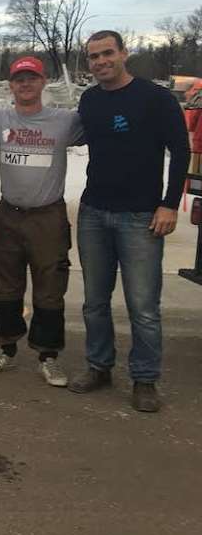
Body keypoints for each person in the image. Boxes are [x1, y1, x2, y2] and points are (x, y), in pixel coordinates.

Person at [69, 30, 189, 412]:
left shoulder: (155, 99)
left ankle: (145, 378)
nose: (101, 61)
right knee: (94, 302)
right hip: (93, 214)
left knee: (143, 305)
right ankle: (99, 366)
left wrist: (169, 204)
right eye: (93, 57)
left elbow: (181, 151)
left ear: (124, 53)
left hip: (141, 216)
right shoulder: (88, 101)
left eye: (107, 53)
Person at [0, 57, 83, 387]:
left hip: (47, 217)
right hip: (9, 214)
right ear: (10, 85)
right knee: (5, 286)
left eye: (31, 78)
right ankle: (5, 348)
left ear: (43, 81)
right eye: (19, 79)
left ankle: (48, 356)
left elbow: (110, 130)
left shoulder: (67, 121)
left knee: (50, 291)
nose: (25, 84)